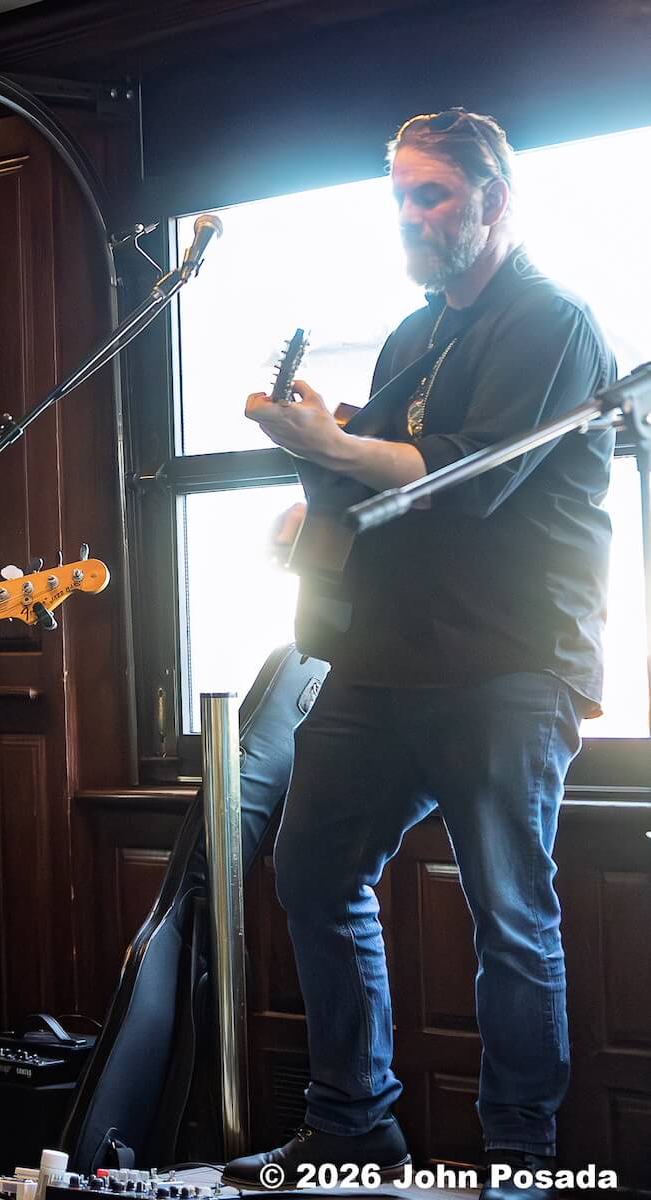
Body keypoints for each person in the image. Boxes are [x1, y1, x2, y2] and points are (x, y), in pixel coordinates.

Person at [227, 110, 615, 1200]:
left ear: (495, 203)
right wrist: (318, 493)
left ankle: (522, 1166)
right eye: (400, 194)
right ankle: (354, 1125)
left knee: (510, 916)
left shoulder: (552, 320)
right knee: (311, 866)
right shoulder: (409, 336)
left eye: (433, 194)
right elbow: (372, 474)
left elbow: (466, 477)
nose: (410, 214)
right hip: (385, 659)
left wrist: (335, 445)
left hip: (507, 662)